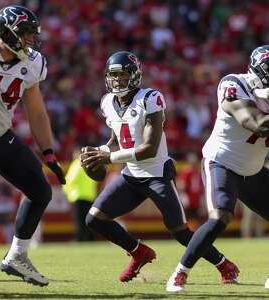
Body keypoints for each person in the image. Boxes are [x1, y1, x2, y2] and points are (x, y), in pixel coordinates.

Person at [80, 51, 238, 283]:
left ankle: (224, 264)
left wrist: (108, 159)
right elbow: (117, 138)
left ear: (134, 76)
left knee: (180, 232)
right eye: (113, 76)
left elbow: (149, 149)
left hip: (157, 175)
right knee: (94, 219)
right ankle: (138, 252)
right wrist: (101, 150)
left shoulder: (149, 98)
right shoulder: (108, 102)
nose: (117, 81)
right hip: (131, 176)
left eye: (123, 76)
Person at [0, 5, 66, 293]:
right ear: (6, 33)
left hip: (0, 137)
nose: (30, 41)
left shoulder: (33, 63)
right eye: (24, 35)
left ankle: (17, 256)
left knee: (40, 190)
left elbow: (36, 111)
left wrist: (48, 152)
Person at [166, 45, 269, 293]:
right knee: (220, 217)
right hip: (222, 162)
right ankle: (180, 272)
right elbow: (254, 122)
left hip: (253, 168)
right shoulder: (233, 83)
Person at [63, 148, 97, 241]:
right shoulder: (90, 164)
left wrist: (66, 190)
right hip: (90, 196)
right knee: (89, 221)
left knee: (79, 221)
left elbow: (70, 180)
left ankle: (80, 239)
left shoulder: (76, 164)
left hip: (77, 196)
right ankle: (91, 239)